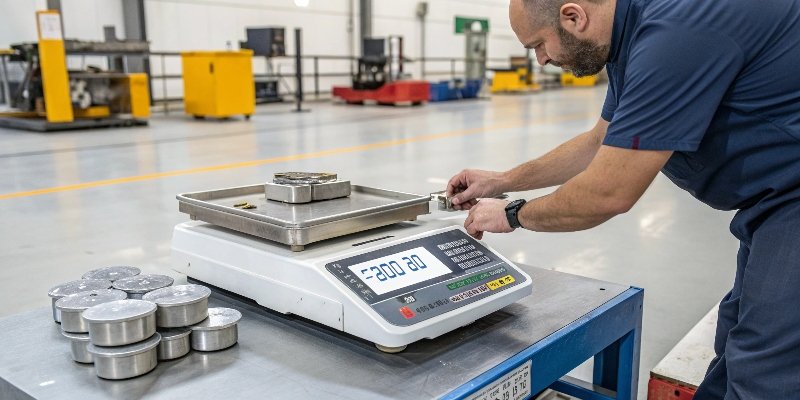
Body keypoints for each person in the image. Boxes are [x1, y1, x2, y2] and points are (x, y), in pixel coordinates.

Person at [446, 0, 800, 398]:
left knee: (766, 371)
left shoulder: (676, 31)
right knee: (736, 343)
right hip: (770, 204)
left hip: (791, 198)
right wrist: (503, 180)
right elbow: (599, 143)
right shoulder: (628, 35)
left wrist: (512, 214)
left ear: (573, 16)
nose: (542, 60)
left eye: (539, 45)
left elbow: (607, 193)